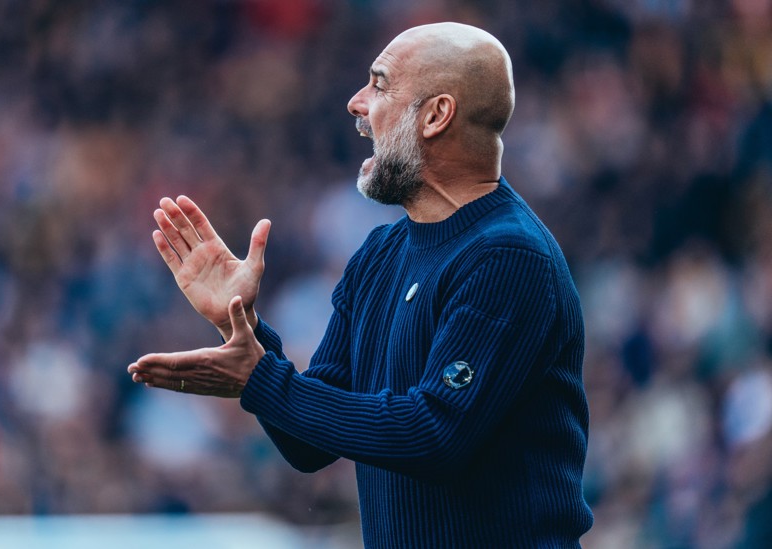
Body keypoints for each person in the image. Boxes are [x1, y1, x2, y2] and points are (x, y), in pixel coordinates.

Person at [129, 22, 593, 548]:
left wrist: (261, 380)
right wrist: (244, 327)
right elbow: (309, 444)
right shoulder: (379, 255)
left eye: (379, 84)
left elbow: (435, 435)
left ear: (436, 115)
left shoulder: (507, 256)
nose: (355, 103)